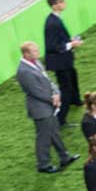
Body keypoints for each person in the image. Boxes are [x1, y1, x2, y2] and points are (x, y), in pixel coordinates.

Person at [17, 43, 73, 175]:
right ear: (26, 54)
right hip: (40, 108)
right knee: (44, 137)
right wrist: (53, 99)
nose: (38, 53)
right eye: (34, 51)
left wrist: (56, 93)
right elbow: (35, 91)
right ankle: (43, 164)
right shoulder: (24, 71)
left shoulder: (36, 63)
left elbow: (48, 81)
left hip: (48, 104)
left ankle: (64, 156)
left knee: (54, 132)